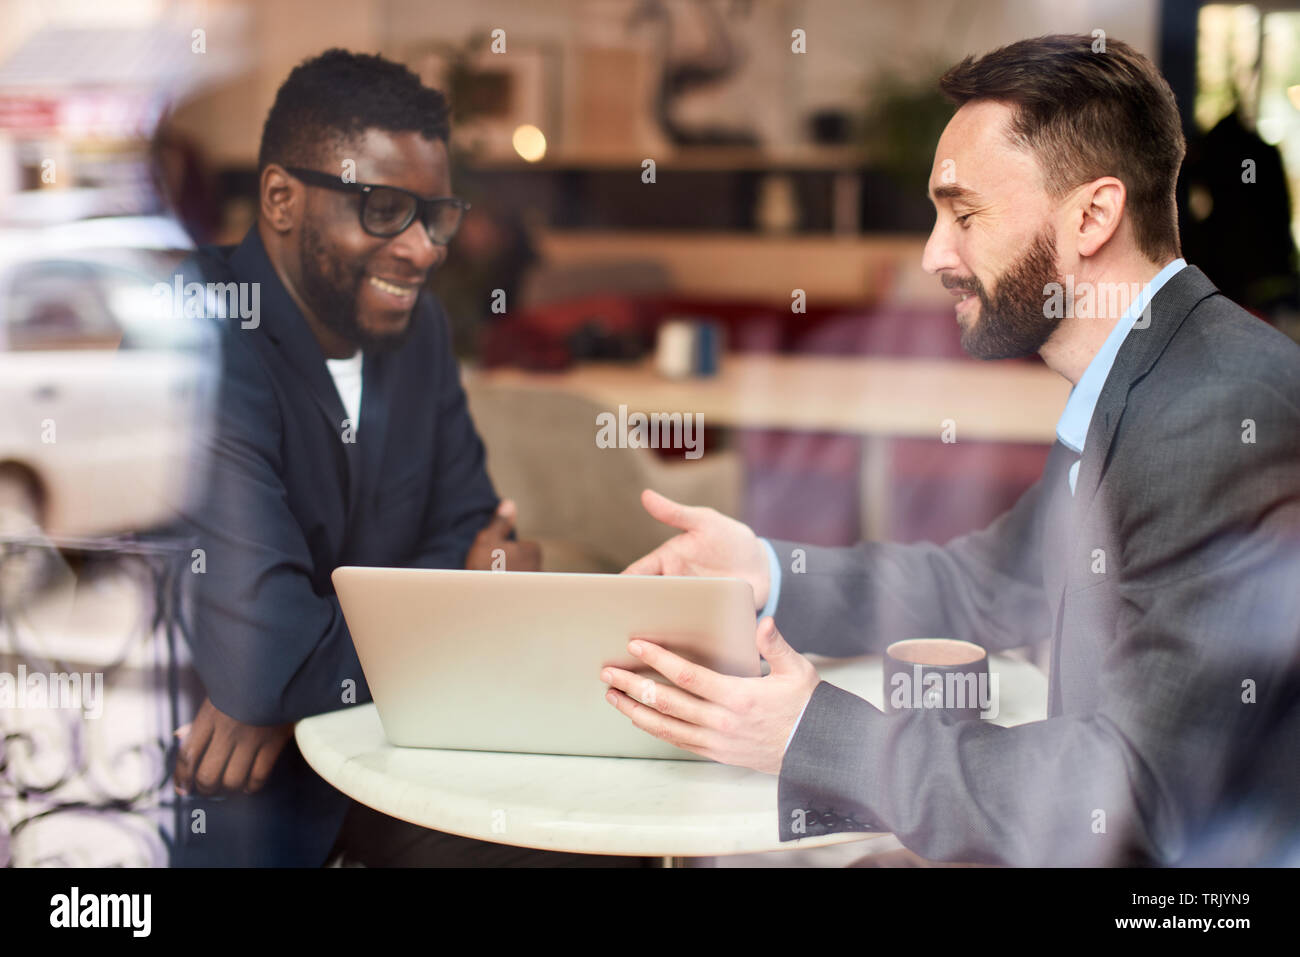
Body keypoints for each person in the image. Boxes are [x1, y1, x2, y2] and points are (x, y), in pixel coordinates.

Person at [604, 35, 1300, 866]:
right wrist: (765, 566)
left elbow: (1133, 795)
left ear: (1091, 215)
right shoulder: (1148, 374)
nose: (935, 254)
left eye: (965, 215)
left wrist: (808, 732)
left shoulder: (1215, 413)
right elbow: (988, 582)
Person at [170, 49, 638, 867]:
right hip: (241, 796)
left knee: (617, 832)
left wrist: (289, 682)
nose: (423, 251)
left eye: (435, 216)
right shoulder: (204, 328)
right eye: (385, 209)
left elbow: (471, 522)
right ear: (280, 198)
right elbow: (267, 657)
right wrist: (456, 593)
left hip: (405, 748)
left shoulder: (416, 331)